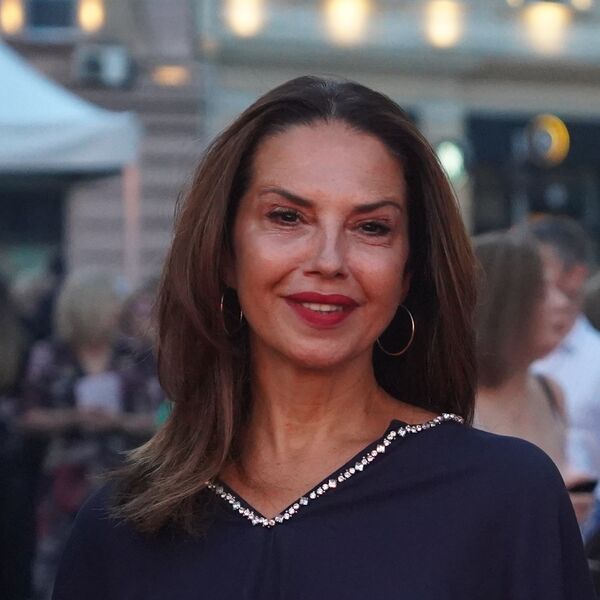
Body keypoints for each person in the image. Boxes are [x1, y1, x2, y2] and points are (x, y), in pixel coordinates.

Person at [52, 76, 594, 599]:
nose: (329, 260)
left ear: (408, 271)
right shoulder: (121, 524)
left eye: (371, 227)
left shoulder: (506, 497)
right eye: (288, 217)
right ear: (225, 253)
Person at [21, 270, 160, 598]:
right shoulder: (49, 355)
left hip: (124, 482)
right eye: (112, 303)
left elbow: (160, 418)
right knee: (59, 572)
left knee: (123, 571)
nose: (118, 311)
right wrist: (74, 417)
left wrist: (119, 421)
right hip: (64, 486)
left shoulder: (134, 354)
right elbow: (27, 415)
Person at [472, 230, 594, 523]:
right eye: (541, 292)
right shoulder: (454, 407)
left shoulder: (551, 392)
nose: (561, 303)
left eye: (559, 290)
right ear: (502, 307)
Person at [529, 217, 600, 519]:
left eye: (539, 270)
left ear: (575, 276)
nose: (526, 278)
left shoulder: (595, 360)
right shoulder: (498, 363)